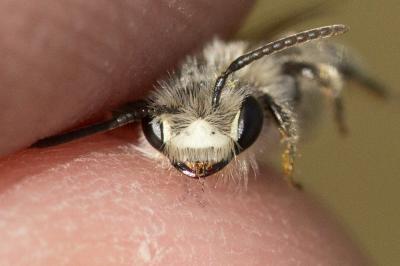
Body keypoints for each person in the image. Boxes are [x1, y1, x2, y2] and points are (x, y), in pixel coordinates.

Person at [0, 1, 369, 264]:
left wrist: (293, 155)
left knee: (324, 61)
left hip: (283, 79)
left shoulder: (258, 87)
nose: (199, 158)